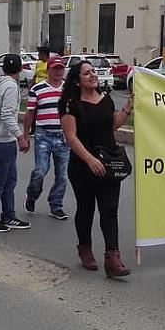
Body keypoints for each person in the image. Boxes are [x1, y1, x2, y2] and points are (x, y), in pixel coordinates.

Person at [60, 61, 134, 277]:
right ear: (77, 80)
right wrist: (90, 160)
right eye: (86, 73)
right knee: (86, 209)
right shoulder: (70, 104)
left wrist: (127, 108)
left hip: (109, 164)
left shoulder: (105, 98)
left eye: (93, 71)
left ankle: (113, 258)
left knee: (110, 209)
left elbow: (110, 125)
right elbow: (71, 137)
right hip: (83, 166)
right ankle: (85, 248)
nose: (92, 75)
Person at [0, 53, 31, 232]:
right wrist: (20, 136)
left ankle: (8, 215)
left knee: (8, 180)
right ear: (20, 69)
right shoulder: (10, 87)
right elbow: (7, 114)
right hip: (2, 141)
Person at [23, 55, 70, 220]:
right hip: (44, 135)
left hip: (63, 137)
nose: (58, 72)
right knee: (41, 170)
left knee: (62, 175)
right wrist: (25, 135)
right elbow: (30, 113)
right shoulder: (37, 89)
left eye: (61, 68)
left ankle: (56, 205)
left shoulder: (68, 89)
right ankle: (32, 194)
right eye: (55, 68)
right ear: (48, 69)